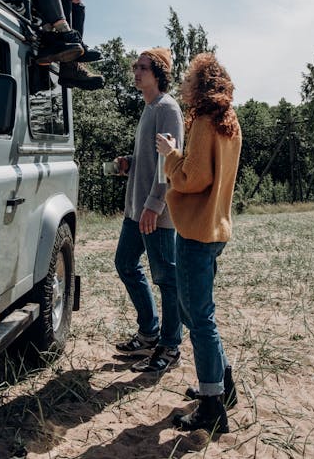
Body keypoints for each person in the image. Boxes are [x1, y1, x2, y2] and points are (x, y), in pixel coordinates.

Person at [156, 52, 242, 433]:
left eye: (190, 78)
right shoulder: (229, 122)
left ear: (199, 84)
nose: (185, 84)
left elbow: (192, 179)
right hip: (215, 229)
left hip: (194, 230)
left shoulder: (206, 122)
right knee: (194, 312)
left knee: (199, 318)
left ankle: (211, 406)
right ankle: (222, 388)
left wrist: (170, 155)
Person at [114, 48, 184, 374]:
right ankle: (148, 333)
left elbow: (168, 163)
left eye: (142, 67)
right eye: (135, 67)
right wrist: (129, 164)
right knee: (125, 263)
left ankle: (170, 347)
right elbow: (152, 159)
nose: (136, 71)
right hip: (137, 208)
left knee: (166, 278)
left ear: (158, 73)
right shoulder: (149, 108)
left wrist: (154, 206)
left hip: (154, 211)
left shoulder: (167, 108)